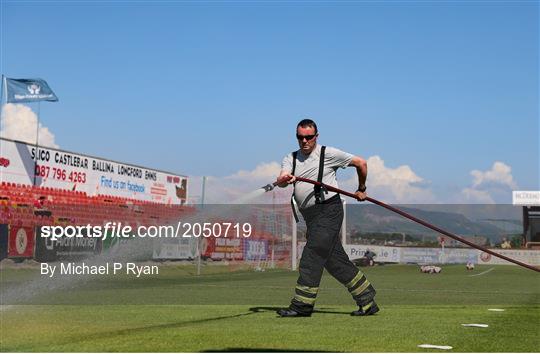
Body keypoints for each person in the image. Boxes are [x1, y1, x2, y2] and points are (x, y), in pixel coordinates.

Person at [275, 119, 379, 317]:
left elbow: (361, 163)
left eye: (309, 137)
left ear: (316, 136)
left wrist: (362, 188)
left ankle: (302, 305)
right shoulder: (291, 158)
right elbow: (282, 178)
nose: (304, 141)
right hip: (310, 216)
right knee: (334, 261)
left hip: (329, 211)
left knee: (312, 255)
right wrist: (283, 179)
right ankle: (367, 300)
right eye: (300, 137)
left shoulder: (329, 154)